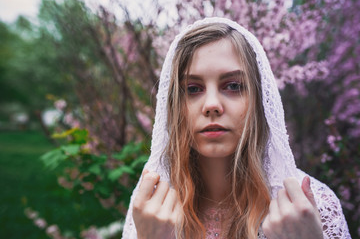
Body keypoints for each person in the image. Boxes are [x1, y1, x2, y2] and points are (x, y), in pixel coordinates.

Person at [122, 18, 350, 239]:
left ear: (260, 100)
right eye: (192, 89)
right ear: (172, 106)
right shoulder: (152, 207)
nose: (212, 105)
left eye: (233, 86)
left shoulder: (309, 208)